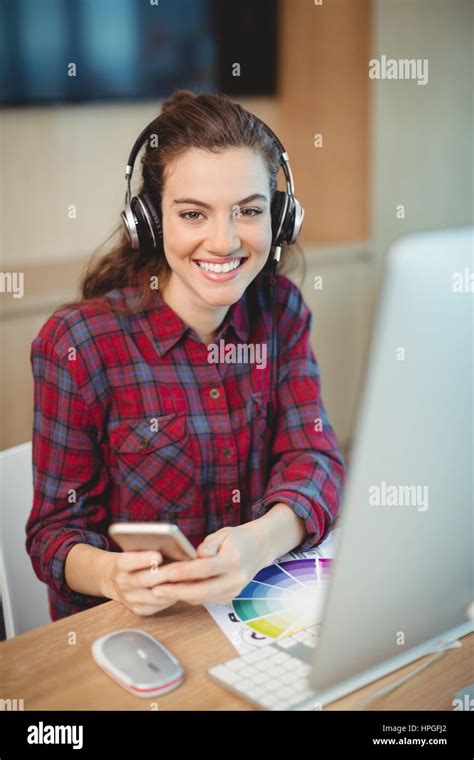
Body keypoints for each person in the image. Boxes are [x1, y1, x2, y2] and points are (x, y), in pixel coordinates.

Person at [25, 89, 346, 621]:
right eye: (194, 214)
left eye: (249, 211)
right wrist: (111, 574)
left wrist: (260, 542)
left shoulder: (281, 310)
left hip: (257, 607)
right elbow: (54, 535)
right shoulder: (77, 344)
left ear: (280, 219)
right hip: (142, 628)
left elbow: (315, 459)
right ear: (149, 221)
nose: (223, 242)